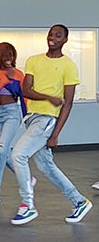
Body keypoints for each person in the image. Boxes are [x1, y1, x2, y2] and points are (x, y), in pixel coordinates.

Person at [9, 25, 93, 225]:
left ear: (65, 40)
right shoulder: (34, 60)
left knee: (18, 155)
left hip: (47, 120)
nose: (52, 38)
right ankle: (79, 201)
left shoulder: (69, 66)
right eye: (51, 34)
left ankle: (27, 205)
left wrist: (56, 134)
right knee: (46, 165)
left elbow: (68, 102)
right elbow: (26, 90)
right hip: (31, 118)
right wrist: (48, 97)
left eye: (58, 35)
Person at [0, 42, 27, 205]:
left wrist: (27, 117)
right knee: (5, 154)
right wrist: (4, 78)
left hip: (11, 113)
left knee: (1, 150)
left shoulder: (19, 74)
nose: (9, 59)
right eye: (5, 55)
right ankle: (27, 178)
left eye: (11, 55)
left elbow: (24, 97)